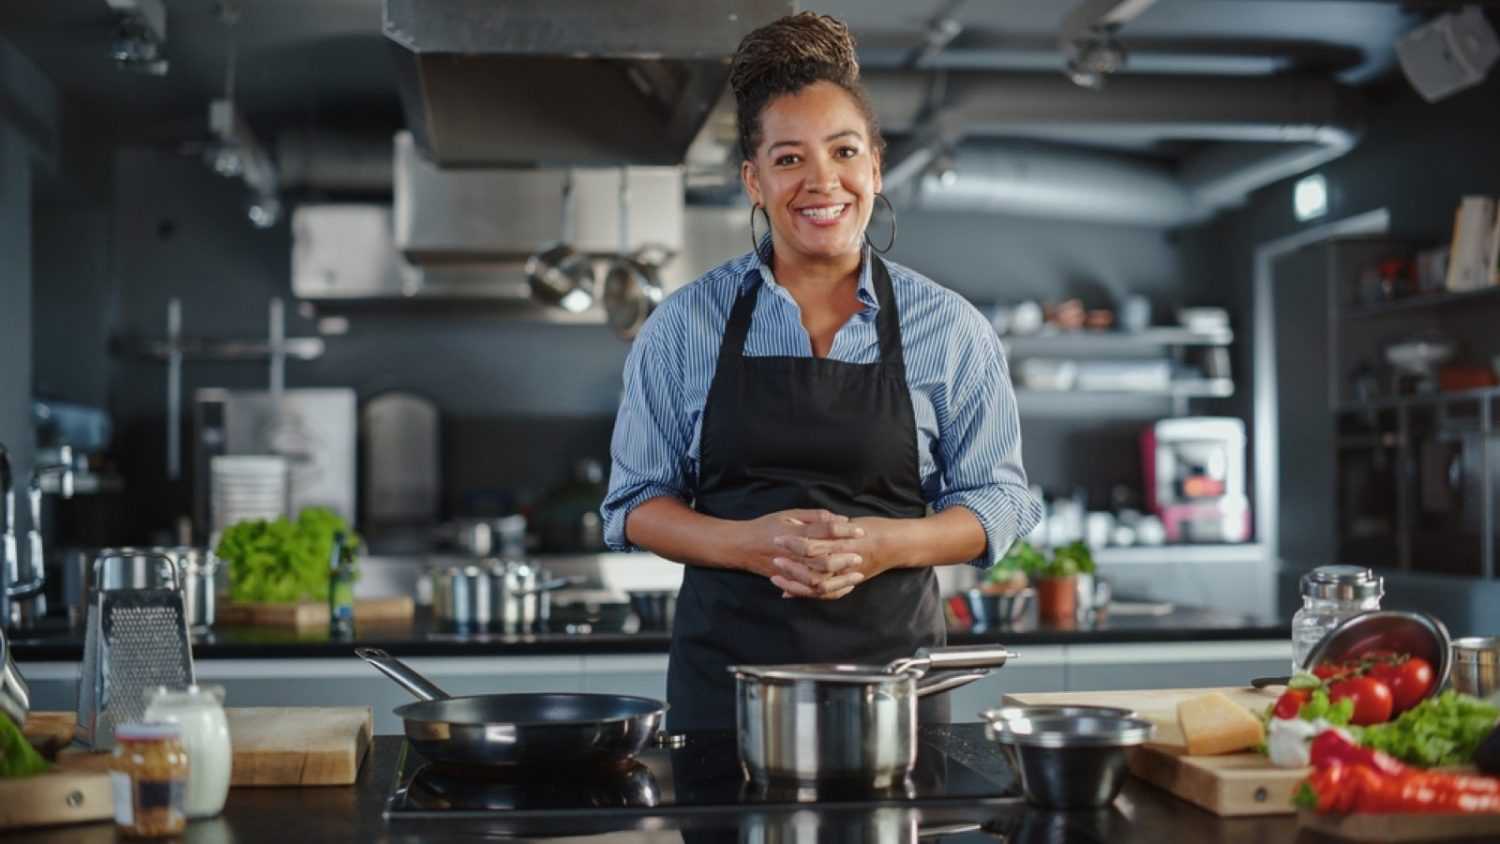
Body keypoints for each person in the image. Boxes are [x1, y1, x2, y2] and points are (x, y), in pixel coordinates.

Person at [601, 11, 1041, 731]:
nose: (821, 181)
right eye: (788, 159)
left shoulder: (952, 330)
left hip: (895, 692)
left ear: (875, 163)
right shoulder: (683, 326)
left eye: (843, 152)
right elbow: (635, 503)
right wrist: (748, 545)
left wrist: (881, 545)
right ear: (753, 179)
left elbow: (997, 500)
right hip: (729, 695)